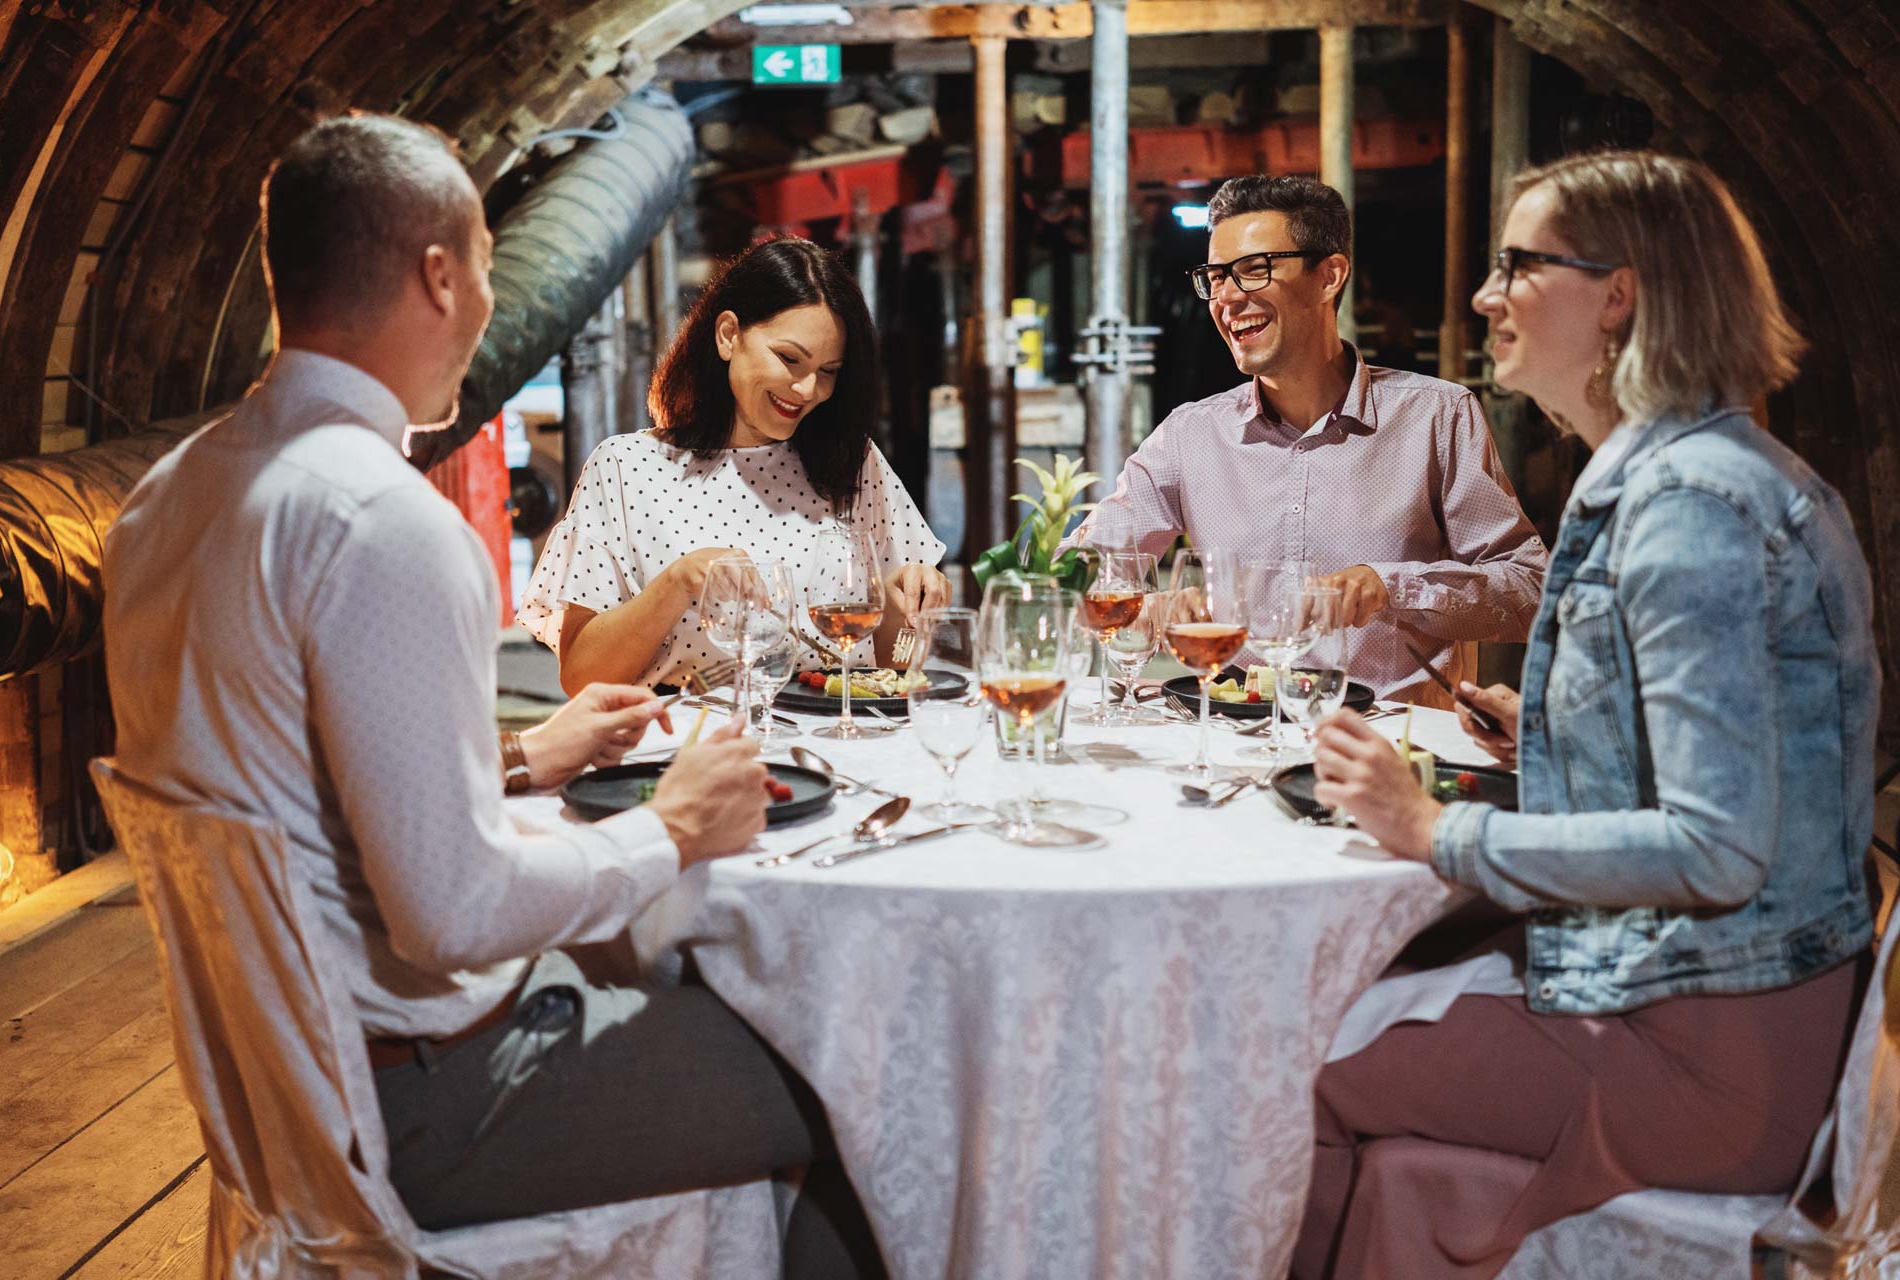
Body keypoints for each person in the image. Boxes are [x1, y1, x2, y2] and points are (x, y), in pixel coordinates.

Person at [102, 113, 884, 1276]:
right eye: (483, 265)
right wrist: (669, 827)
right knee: (856, 1085)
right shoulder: (383, 522)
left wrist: (523, 757)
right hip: (425, 1104)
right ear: (439, 271)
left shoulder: (163, 499)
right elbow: (453, 914)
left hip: (286, 1097)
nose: (483, 304)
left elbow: (292, 792)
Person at [1295, 150, 1876, 1279]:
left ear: (1620, 295)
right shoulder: (1705, 471)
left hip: (1705, 1049)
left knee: (1281, 1068)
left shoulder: (1689, 510)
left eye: (1519, 263)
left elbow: (1715, 845)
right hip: (1711, 1001)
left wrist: (1431, 831)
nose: (1482, 294)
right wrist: (1560, 738)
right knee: (1344, 1018)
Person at [1072, 175, 1547, 704]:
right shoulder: (1190, 435)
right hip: (1241, 739)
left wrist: (1390, 586)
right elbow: (1077, 574)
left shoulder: (1436, 416)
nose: (1227, 297)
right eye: (1215, 276)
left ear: (1329, 277)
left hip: (1389, 746)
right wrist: (1149, 607)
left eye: (1253, 271)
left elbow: (1530, 591)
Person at [519, 237, 948, 692]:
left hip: (831, 741)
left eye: (828, 371)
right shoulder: (627, 468)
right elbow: (581, 677)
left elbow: (896, 669)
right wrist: (676, 583)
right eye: (789, 359)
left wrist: (906, 606)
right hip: (686, 748)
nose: (806, 390)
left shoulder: (853, 462)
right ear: (728, 335)